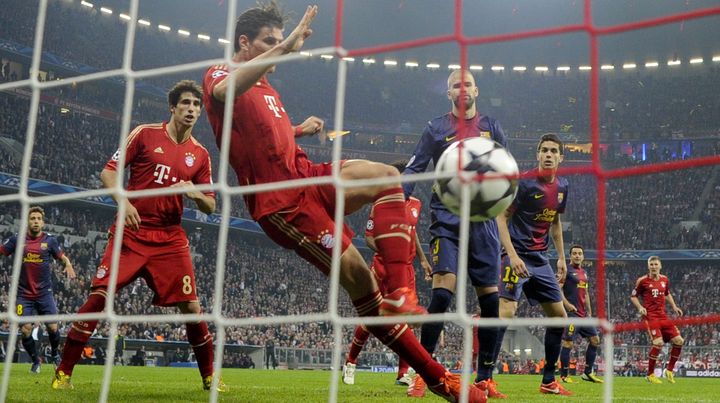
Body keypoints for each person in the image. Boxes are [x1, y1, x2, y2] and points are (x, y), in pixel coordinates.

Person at [201, 3, 484, 401]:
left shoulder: (267, 88)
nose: (278, 48)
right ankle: (440, 380)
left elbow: (266, 142)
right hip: (281, 204)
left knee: (388, 177)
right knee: (364, 288)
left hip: (307, 176)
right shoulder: (220, 73)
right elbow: (224, 91)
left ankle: (402, 293)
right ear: (244, 43)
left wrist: (298, 129)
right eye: (270, 41)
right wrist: (286, 48)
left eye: (279, 42)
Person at [51, 80, 227, 392]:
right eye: (185, 103)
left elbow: (211, 205)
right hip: (131, 233)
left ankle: (210, 378)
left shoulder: (199, 155)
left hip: (170, 239)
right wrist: (124, 200)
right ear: (172, 107)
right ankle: (63, 373)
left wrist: (194, 192)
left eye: (196, 105)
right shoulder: (144, 134)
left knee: (192, 308)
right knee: (99, 298)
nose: (191, 109)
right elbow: (109, 172)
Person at [402, 69, 507, 399]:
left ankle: (485, 376)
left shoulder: (492, 127)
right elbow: (415, 169)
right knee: (443, 295)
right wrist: (394, 202)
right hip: (446, 219)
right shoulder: (436, 128)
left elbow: (504, 171)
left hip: (483, 223)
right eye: (455, 85)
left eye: (467, 83)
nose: (462, 89)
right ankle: (424, 371)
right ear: (449, 93)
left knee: (491, 301)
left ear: (477, 89)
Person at [342, 161, 431, 386]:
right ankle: (351, 362)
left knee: (406, 316)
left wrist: (422, 258)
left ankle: (403, 373)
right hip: (383, 267)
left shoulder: (416, 204)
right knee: (371, 318)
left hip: (407, 268)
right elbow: (369, 237)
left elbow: (412, 233)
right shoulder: (381, 204)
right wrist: (391, 253)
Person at [496, 133, 571, 396]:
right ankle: (484, 379)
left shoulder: (562, 188)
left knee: (559, 319)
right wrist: (512, 255)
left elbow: (555, 223)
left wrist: (561, 257)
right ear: (538, 154)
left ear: (561, 157)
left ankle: (548, 380)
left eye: (553, 151)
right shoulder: (525, 183)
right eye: (544, 150)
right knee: (505, 312)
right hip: (516, 254)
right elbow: (501, 217)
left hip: (541, 260)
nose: (548, 155)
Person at [0, 206, 76, 373]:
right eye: (32, 218)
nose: (35, 221)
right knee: (26, 330)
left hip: (44, 293)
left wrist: (68, 264)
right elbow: (2, 251)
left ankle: (55, 354)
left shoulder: (50, 240)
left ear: (43, 222)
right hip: (23, 294)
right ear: (28, 221)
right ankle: (36, 361)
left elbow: (61, 257)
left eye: (38, 219)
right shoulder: (17, 239)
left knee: (53, 328)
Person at [630, 256, 684, 384]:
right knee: (658, 343)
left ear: (660, 266)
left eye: (655, 264)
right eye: (651, 264)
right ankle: (650, 374)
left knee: (679, 340)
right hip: (651, 316)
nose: (653, 267)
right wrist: (640, 307)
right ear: (648, 266)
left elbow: (667, 293)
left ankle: (669, 371)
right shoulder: (642, 281)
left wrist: (674, 306)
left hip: (663, 316)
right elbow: (633, 296)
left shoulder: (665, 279)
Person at [558, 245, 603, 383]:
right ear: (570, 256)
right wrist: (567, 305)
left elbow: (586, 293)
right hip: (572, 314)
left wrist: (589, 311)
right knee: (567, 343)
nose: (577, 256)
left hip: (583, 315)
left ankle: (587, 373)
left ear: (583, 256)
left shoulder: (584, 272)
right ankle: (564, 375)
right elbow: (558, 289)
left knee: (595, 340)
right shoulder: (565, 270)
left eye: (580, 253)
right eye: (575, 253)